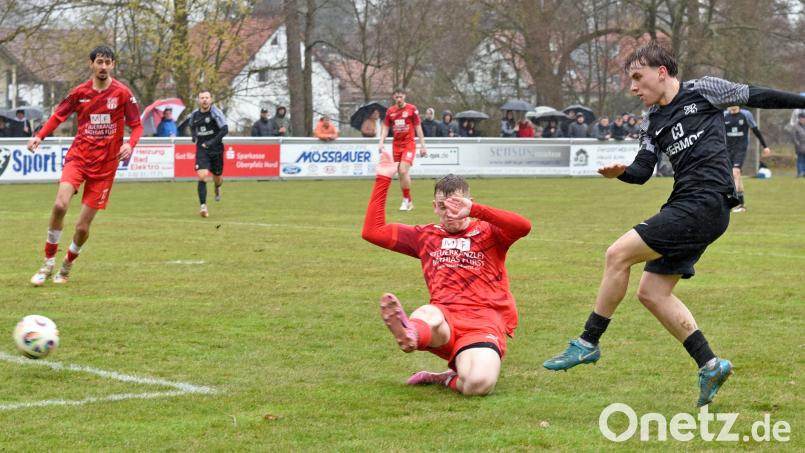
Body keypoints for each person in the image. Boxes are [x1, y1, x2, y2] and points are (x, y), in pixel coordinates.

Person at [542, 40, 805, 407]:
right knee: (652, 292)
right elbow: (642, 171)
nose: (633, 87)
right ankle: (710, 364)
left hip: (706, 202)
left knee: (617, 255)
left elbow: (756, 94)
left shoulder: (704, 90)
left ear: (661, 72)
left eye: (638, 77)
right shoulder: (652, 120)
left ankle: (588, 341)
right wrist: (621, 173)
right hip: (687, 205)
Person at [361, 152, 531, 395]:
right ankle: (411, 334)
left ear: (469, 203)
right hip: (443, 320)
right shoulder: (424, 235)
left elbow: (523, 226)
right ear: (434, 207)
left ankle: (443, 377)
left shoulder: (490, 233)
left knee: (478, 385)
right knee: (430, 312)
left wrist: (476, 210)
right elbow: (373, 231)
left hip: (483, 322)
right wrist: (383, 178)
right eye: (443, 206)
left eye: (457, 206)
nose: (450, 213)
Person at [27, 45, 142, 286]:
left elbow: (137, 126)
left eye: (108, 62)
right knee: (60, 205)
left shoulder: (122, 93)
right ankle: (47, 263)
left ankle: (67, 265)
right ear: (91, 64)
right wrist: (39, 136)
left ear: (113, 65)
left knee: (81, 227)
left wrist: (130, 144)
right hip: (79, 157)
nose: (103, 66)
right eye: (99, 62)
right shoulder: (80, 92)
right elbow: (58, 115)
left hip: (106, 166)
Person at [378, 88, 427, 211]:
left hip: (409, 144)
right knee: (401, 174)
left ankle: (406, 201)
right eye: (396, 97)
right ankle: (408, 201)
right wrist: (381, 142)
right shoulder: (390, 111)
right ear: (393, 98)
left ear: (404, 96)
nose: (399, 99)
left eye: (401, 96)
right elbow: (385, 127)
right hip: (396, 145)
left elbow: (418, 127)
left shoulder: (412, 109)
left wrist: (422, 145)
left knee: (403, 170)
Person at [187, 90, 228, 218]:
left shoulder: (216, 113)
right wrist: (194, 136)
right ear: (198, 100)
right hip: (202, 149)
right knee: (202, 176)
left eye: (207, 97)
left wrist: (211, 142)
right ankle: (203, 207)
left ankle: (217, 187)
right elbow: (191, 125)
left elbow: (225, 129)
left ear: (210, 99)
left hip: (216, 149)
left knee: (217, 177)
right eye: (202, 98)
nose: (204, 100)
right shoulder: (194, 114)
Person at [723, 105, 771, 212]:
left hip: (740, 148)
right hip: (727, 149)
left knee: (735, 172)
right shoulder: (724, 115)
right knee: (733, 176)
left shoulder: (746, 114)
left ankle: (732, 202)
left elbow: (755, 130)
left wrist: (765, 146)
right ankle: (741, 204)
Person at [793, 112, 805, 177]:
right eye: (801, 118)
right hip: (800, 147)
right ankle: (800, 173)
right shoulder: (796, 127)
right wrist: (798, 145)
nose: (802, 119)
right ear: (799, 119)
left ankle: (804, 173)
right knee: (800, 160)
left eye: (803, 118)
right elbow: (794, 137)